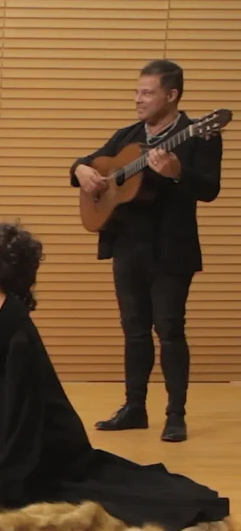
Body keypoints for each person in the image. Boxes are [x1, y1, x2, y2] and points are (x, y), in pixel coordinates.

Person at [0, 222, 229, 531]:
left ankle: (37, 473)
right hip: (4, 427)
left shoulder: (15, 332)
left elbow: (20, 413)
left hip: (37, 438)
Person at [70, 60, 222, 443]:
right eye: (137, 92)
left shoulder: (198, 136)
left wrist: (177, 173)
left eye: (147, 93)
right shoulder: (128, 135)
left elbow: (209, 189)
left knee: (169, 329)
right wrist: (80, 170)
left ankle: (175, 415)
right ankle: (134, 407)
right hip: (127, 246)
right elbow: (88, 164)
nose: (138, 99)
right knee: (134, 330)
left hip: (171, 250)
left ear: (171, 95)